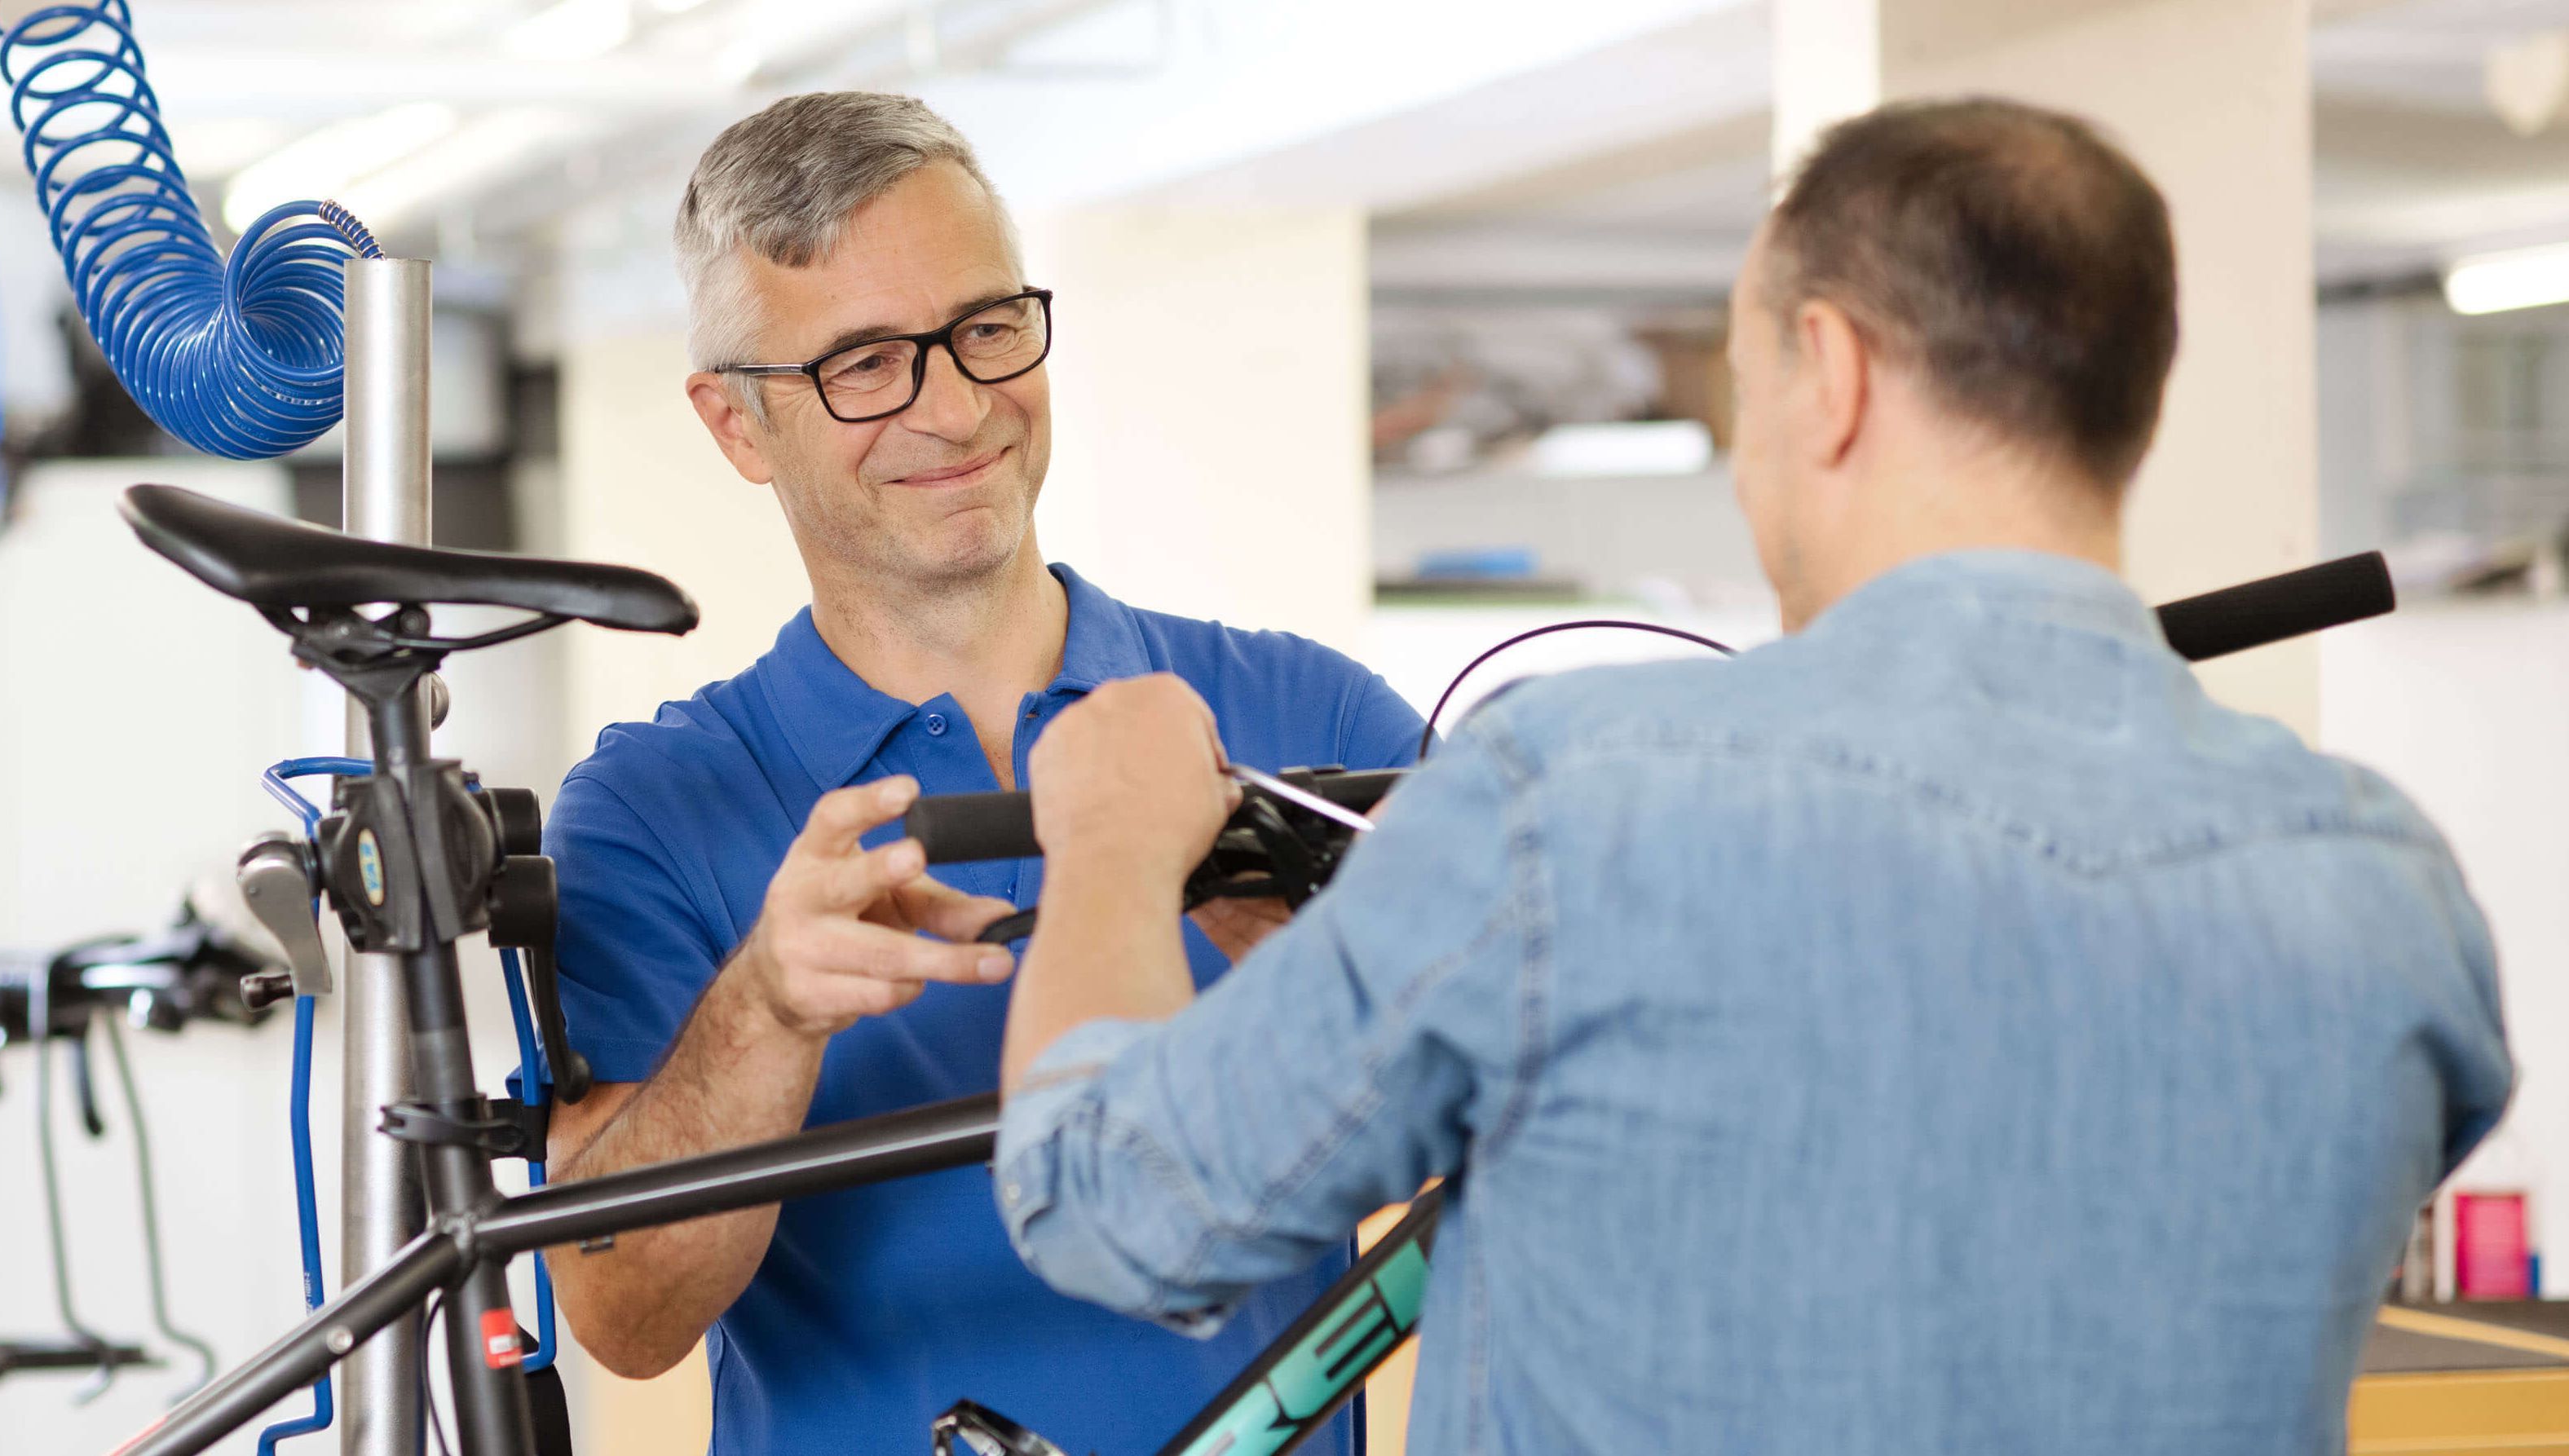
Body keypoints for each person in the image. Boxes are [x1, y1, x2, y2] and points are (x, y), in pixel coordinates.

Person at [993, 98, 2516, 1454]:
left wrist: (1115, 835)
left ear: (1830, 374)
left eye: (1742, 384)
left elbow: (1118, 1206)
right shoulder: (2387, 890)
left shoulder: (1571, 806)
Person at [537, 92, 1423, 1455]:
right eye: (865, 363)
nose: (954, 405)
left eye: (987, 328)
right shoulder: (658, 808)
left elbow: (1534, 1142)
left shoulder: (1305, 715)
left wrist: (1333, 991)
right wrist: (768, 1010)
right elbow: (625, 1315)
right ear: (736, 426)